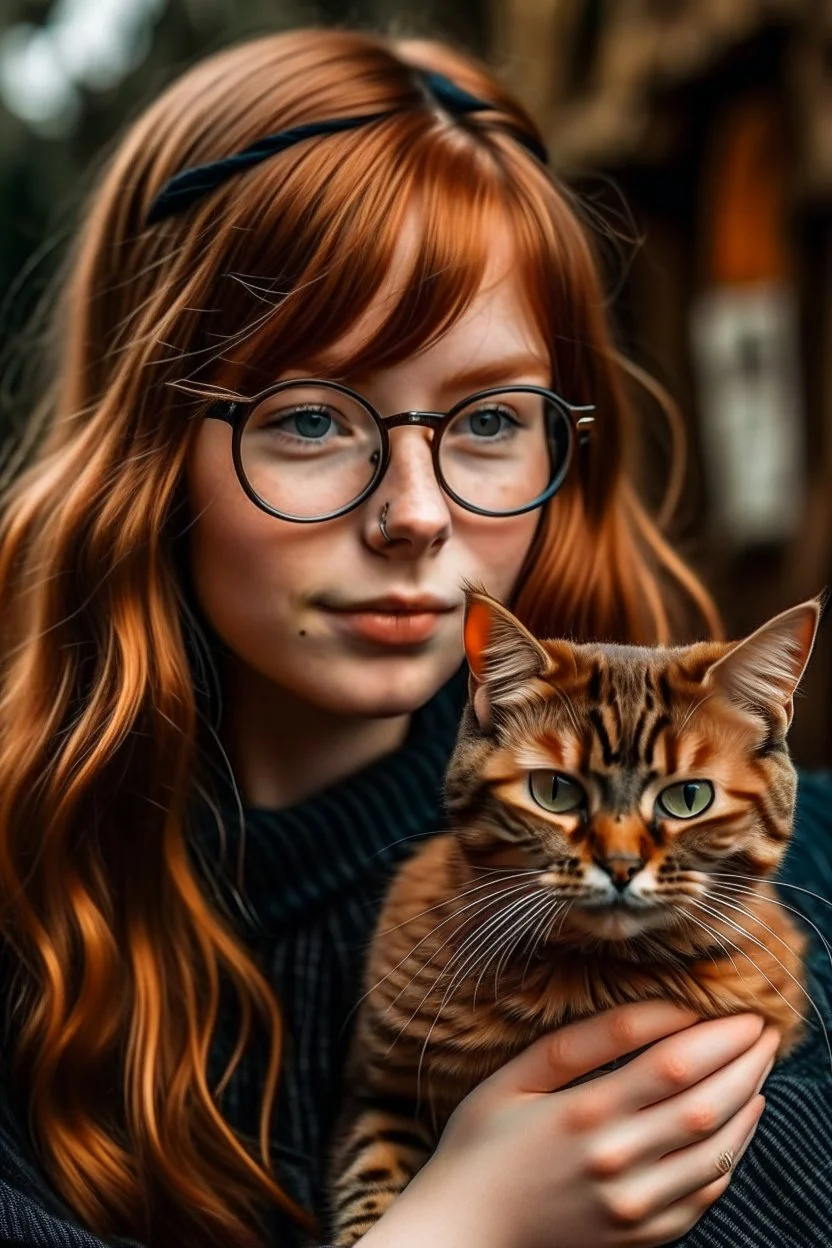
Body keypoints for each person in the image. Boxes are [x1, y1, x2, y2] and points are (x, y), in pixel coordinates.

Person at [0, 24, 829, 1248]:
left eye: (489, 418)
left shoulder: (800, 879)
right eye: (309, 420)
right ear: (153, 447)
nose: (417, 515)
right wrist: (457, 1228)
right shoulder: (32, 931)